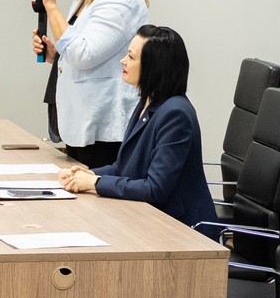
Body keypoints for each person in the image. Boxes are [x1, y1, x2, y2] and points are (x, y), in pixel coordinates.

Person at [58, 25, 219, 234]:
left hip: (181, 229)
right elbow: (124, 167)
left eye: (131, 57)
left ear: (154, 67)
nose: (123, 61)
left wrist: (95, 183)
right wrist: (88, 174)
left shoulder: (175, 114)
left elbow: (155, 189)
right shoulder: (148, 101)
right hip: (150, 218)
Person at [33, 0, 150, 169]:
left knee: (95, 192)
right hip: (81, 120)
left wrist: (51, 6)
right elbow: (83, 50)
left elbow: (83, 54)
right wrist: (56, 55)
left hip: (104, 129)